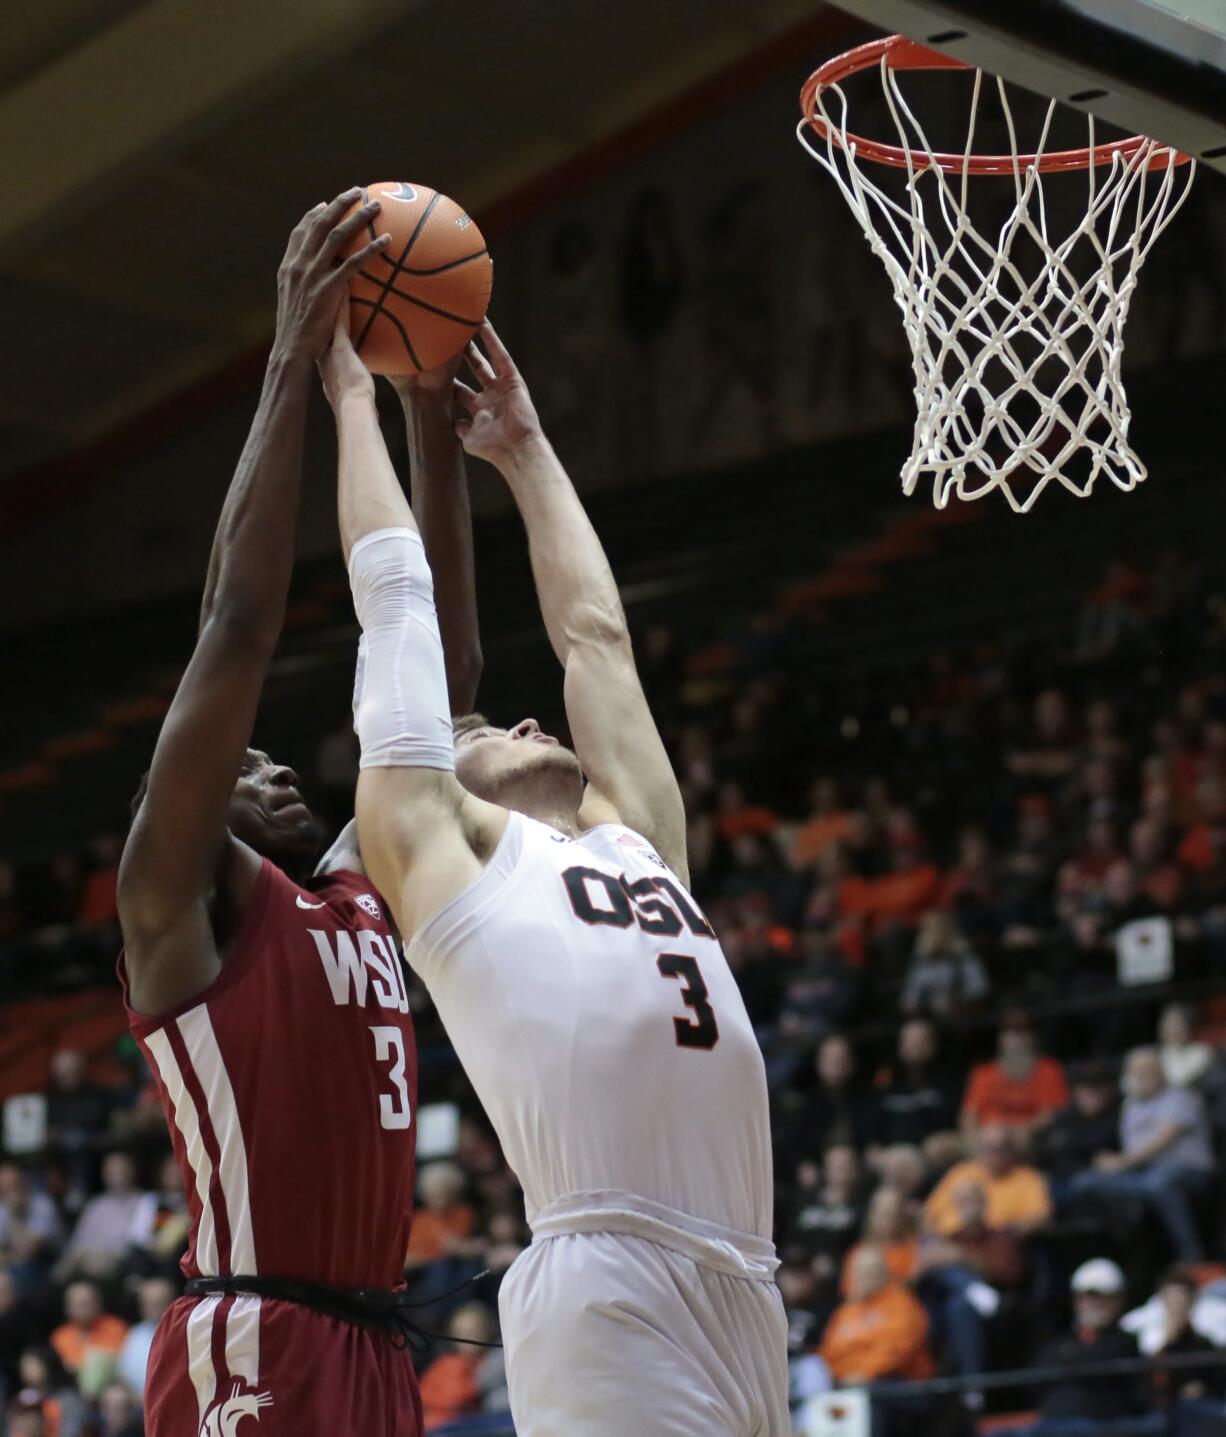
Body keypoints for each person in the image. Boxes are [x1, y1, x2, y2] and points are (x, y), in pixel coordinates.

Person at [318, 313, 787, 1435]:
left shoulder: (634, 836)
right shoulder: (444, 857)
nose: (527, 718)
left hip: (742, 1280)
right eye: (483, 729)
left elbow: (595, 640)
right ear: (445, 774)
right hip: (606, 1276)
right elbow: (395, 607)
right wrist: (348, 404)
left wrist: (523, 451)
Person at [115, 193, 481, 1437]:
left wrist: (431, 426)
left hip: (374, 1345)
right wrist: (290, 361)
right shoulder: (176, 916)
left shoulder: (352, 890)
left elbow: (443, 685)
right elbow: (237, 629)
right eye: (233, 764)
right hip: (251, 1336)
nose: (261, 763)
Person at [1071, 1047, 1214, 1260]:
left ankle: (1192, 1257)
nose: (1143, 1076)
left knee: (1159, 1183)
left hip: (1189, 1172)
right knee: (1085, 1181)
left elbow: (1163, 1141)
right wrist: (1111, 1163)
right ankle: (1120, 1253)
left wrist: (1121, 1162)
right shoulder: (1132, 1106)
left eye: (1149, 1069)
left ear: (1162, 1070)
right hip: (1145, 1173)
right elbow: (1133, 1148)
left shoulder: (1180, 1097)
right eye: (1137, 1071)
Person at [915, 1179, 1024, 1385]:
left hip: (997, 1308)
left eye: (973, 1200)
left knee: (959, 1304)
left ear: (984, 1203)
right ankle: (973, 1290)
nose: (968, 1206)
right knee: (948, 1281)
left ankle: (972, 1386)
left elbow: (1005, 1273)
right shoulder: (951, 1239)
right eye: (962, 1201)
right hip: (945, 1309)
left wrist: (961, 1256)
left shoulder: (1001, 1236)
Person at [1033, 1259, 1148, 1425]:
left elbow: (1099, 1367)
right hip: (1052, 1426)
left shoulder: (1126, 1342)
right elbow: (1037, 1379)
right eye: (1084, 1297)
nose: (1090, 1304)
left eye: (1100, 1298)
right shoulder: (1057, 1343)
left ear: (1118, 1300)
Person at [817, 1248, 933, 1386]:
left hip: (900, 1380)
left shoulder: (900, 1303)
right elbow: (830, 1352)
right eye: (859, 1272)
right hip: (848, 1380)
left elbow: (898, 1349)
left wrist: (864, 1374)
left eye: (871, 1272)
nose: (864, 1277)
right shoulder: (846, 1311)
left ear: (884, 1273)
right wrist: (844, 1375)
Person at [961, 1011, 1068, 1144]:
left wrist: (1016, 1132)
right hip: (986, 1136)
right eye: (1010, 1032)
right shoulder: (984, 1073)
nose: (1017, 1038)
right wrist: (976, 1137)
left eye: (1023, 1031)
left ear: (1033, 1036)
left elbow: (1051, 1114)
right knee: (938, 1146)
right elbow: (969, 1115)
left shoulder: (1049, 1070)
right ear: (1001, 1038)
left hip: (1029, 1136)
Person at [924, 1125, 1052, 1238]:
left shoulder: (1028, 1178)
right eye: (988, 1148)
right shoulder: (961, 1172)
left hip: (995, 1245)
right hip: (950, 1240)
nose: (994, 1155)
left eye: (1000, 1149)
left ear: (1012, 1151)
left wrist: (1008, 1232)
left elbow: (1040, 1218)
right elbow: (930, 1214)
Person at [52, 1151, 156, 1283]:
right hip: (86, 1257)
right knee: (64, 1268)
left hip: (119, 1260)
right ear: (104, 1175)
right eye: (111, 1172)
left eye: (121, 1170)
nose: (117, 1176)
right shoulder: (96, 1204)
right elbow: (78, 1240)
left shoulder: (144, 1201)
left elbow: (138, 1242)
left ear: (131, 1172)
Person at [50, 1282, 127, 1378]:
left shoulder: (115, 1327)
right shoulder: (60, 1336)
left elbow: (123, 1359)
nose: (85, 1309)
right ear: (68, 1309)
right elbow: (66, 1367)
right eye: (79, 1305)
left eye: (88, 1303)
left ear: (99, 1304)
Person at [116, 1277, 176, 1399]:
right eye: (149, 1304)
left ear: (171, 1304)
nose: (154, 1310)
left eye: (159, 1304)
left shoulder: (183, 1332)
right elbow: (123, 1376)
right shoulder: (135, 1335)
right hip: (138, 1401)